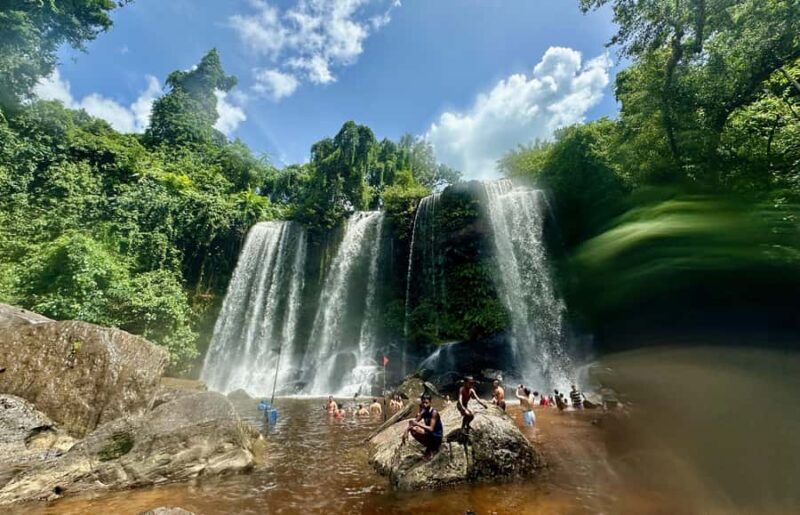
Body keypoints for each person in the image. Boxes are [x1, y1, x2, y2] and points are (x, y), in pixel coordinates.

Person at [402, 394, 443, 459]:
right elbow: (413, 422)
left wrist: (418, 424)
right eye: (423, 403)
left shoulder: (434, 413)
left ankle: (431, 448)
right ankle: (429, 447)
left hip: (436, 437)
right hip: (430, 435)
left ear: (430, 402)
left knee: (417, 428)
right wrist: (406, 431)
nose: (424, 405)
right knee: (413, 429)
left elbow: (431, 429)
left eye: (426, 403)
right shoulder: (424, 411)